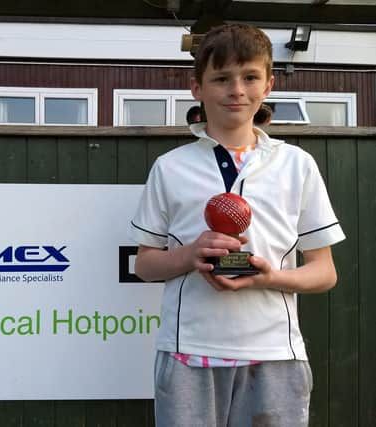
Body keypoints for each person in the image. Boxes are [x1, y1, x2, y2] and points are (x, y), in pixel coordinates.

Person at [130, 23, 345, 427]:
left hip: (275, 354)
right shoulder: (170, 167)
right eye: (221, 78)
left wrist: (269, 277)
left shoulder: (296, 165)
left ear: (268, 85)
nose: (237, 90)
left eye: (250, 77)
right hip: (187, 352)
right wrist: (191, 254)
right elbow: (144, 265)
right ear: (196, 88)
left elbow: (325, 271)